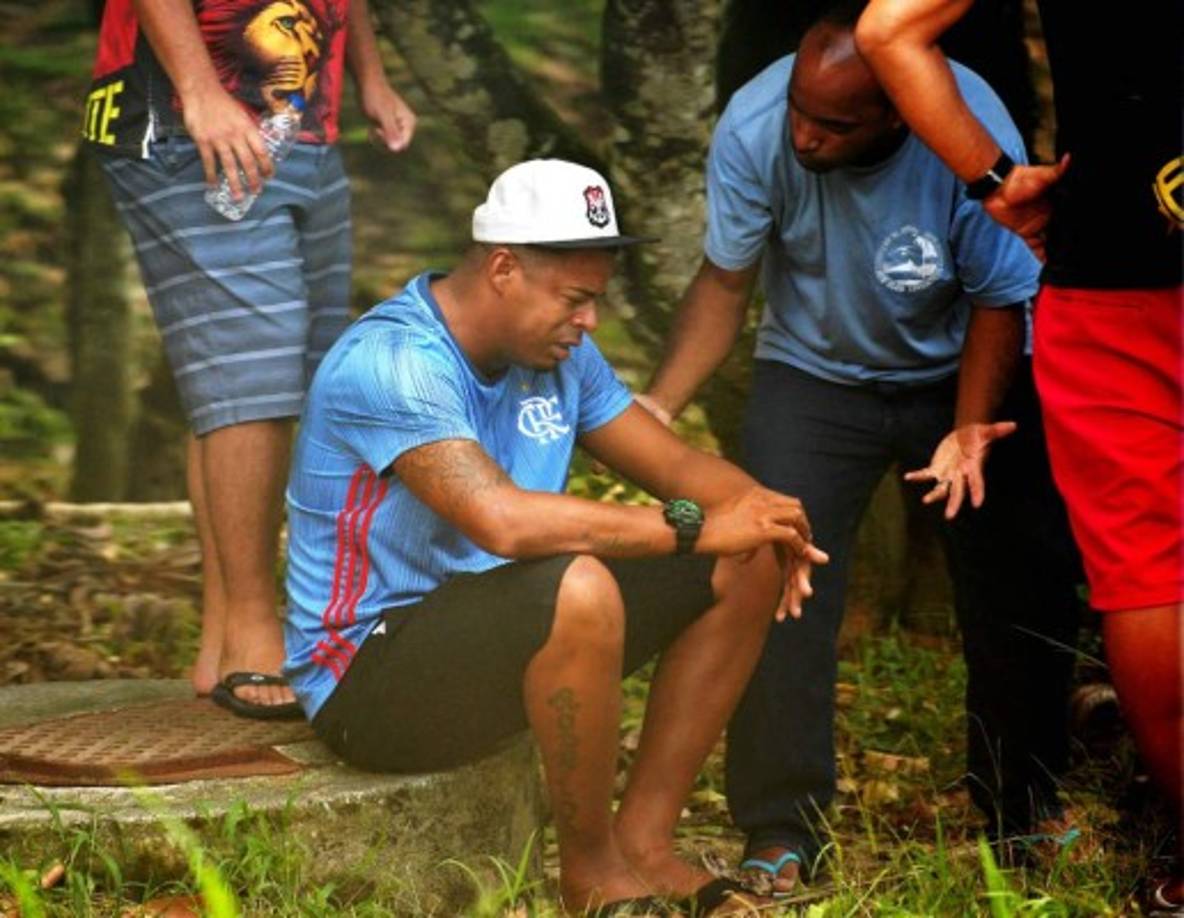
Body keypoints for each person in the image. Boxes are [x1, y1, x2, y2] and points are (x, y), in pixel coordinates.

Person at [281, 158, 829, 914]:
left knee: (749, 553)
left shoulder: (561, 355)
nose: (590, 321)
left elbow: (676, 464)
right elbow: (502, 520)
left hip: (495, 638)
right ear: (504, 268)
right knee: (577, 584)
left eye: (596, 301)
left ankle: (644, 845)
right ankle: (593, 876)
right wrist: (694, 526)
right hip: (369, 679)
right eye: (575, 299)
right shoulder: (394, 363)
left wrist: (770, 517)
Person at [640, 0, 1082, 893]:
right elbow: (726, 281)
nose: (804, 137)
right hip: (813, 374)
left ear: (897, 111)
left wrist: (968, 429)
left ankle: (1021, 811)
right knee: (774, 578)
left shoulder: (968, 131)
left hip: (961, 370)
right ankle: (781, 825)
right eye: (802, 109)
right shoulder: (760, 125)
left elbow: (1002, 295)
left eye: (834, 123)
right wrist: (656, 405)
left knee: (1015, 578)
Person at [856, 0, 1183, 909]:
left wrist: (995, 178)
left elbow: (889, 30)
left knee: (1150, 577)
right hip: (1114, 279)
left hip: (1116, 267)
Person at [84, 0, 416, 716]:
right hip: (184, 118)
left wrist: (371, 76)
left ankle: (225, 637)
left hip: (303, 125)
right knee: (253, 382)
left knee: (280, 377)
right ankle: (261, 634)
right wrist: (200, 90)